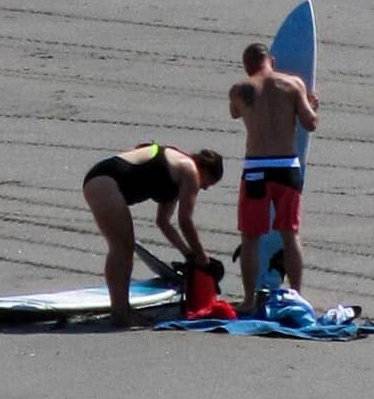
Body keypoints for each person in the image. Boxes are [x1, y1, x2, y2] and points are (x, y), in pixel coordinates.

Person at [82, 143, 223, 328]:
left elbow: (163, 222)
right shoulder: (190, 170)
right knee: (122, 248)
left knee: (123, 248)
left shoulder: (176, 172)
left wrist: (189, 254)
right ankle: (120, 313)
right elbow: (185, 221)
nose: (204, 188)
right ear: (203, 169)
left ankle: (122, 309)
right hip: (105, 183)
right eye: (208, 183)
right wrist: (201, 256)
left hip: (100, 181)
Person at [228, 41, 319, 312]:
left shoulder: (239, 89)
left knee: (251, 237)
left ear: (247, 66)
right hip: (287, 167)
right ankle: (297, 295)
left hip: (256, 167)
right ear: (272, 61)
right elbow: (310, 123)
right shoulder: (293, 85)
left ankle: (247, 300)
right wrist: (312, 105)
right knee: (290, 234)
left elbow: (234, 113)